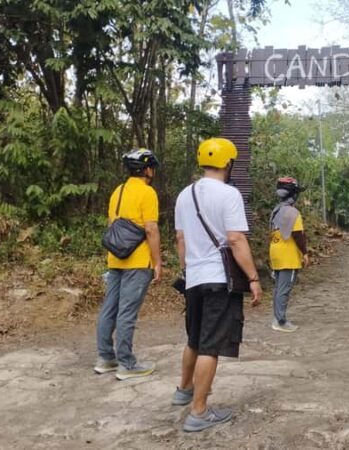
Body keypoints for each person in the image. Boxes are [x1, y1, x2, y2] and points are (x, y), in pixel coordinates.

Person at [172, 137, 263, 432]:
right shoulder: (229, 194)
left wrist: (187, 269)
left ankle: (183, 390)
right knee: (210, 346)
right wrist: (253, 277)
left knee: (194, 339)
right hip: (218, 280)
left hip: (194, 279)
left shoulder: (185, 195)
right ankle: (198, 411)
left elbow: (180, 239)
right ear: (228, 163)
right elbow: (235, 239)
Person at [95, 148, 162, 380]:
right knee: (127, 312)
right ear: (147, 169)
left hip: (115, 257)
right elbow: (151, 229)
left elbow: (112, 223)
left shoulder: (118, 191)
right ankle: (127, 363)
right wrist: (157, 262)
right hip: (138, 260)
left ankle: (105, 358)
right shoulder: (147, 193)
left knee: (109, 308)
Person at [269, 177, 309, 332]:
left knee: (279, 288)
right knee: (284, 288)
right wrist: (304, 253)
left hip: (275, 252)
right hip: (288, 255)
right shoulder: (293, 213)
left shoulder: (276, 210)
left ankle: (276, 317)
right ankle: (280, 321)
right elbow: (298, 235)